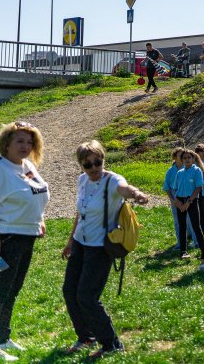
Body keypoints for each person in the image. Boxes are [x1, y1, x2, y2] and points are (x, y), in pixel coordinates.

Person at [61, 141, 149, 357]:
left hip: (100, 247)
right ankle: (86, 338)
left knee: (87, 296)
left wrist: (136, 193)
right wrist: (71, 240)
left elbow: (124, 189)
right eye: (87, 164)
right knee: (70, 292)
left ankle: (112, 344)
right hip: (81, 243)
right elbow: (80, 212)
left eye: (97, 162)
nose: (93, 168)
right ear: (80, 166)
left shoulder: (112, 180)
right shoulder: (83, 180)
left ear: (103, 160)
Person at [0, 122, 50, 362]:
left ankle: (3, 338)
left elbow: (36, 192)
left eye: (29, 142)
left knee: (11, 291)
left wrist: (40, 218)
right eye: (20, 141)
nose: (26, 146)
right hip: (5, 239)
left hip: (26, 238)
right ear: (6, 143)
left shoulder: (27, 166)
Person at [173, 149, 204, 260]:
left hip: (192, 200)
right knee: (182, 226)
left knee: (196, 226)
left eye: (189, 158)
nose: (187, 160)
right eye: (185, 158)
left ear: (193, 159)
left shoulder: (197, 171)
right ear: (182, 160)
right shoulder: (179, 173)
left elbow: (198, 187)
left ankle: (203, 251)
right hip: (180, 200)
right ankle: (183, 251)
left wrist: (189, 201)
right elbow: (175, 188)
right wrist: (176, 200)